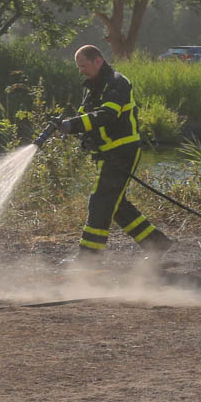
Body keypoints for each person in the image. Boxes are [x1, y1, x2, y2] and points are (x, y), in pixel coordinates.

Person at [49, 45, 171, 265]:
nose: (81, 71)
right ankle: (156, 244)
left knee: (101, 201)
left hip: (123, 151)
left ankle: (89, 259)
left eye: (83, 65)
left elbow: (107, 114)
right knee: (116, 204)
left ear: (98, 61)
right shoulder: (91, 86)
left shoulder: (118, 82)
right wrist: (68, 127)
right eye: (79, 67)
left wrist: (73, 125)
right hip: (107, 153)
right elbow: (87, 115)